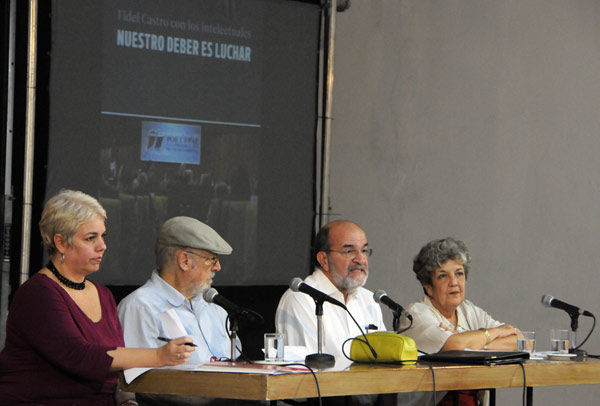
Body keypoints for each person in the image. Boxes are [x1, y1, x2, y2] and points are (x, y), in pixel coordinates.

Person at [0, 190, 194, 406]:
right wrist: (159, 356)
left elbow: (117, 365)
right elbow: (80, 357)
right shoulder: (38, 293)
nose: (102, 246)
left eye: (103, 236)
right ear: (61, 243)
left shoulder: (103, 294)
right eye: (90, 238)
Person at [117, 216, 240, 406]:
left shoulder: (216, 309)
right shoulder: (140, 307)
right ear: (184, 260)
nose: (218, 266)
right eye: (212, 259)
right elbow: (136, 385)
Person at [400, 237, 519, 406]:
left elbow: (520, 340)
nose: (454, 282)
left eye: (459, 273)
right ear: (428, 286)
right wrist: (494, 333)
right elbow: (454, 346)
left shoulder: (468, 310)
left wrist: (476, 346)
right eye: (443, 276)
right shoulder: (415, 315)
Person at [276, 220, 385, 360]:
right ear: (324, 260)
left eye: (364, 250)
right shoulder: (300, 299)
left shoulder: (370, 300)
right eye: (349, 251)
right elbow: (308, 369)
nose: (360, 259)